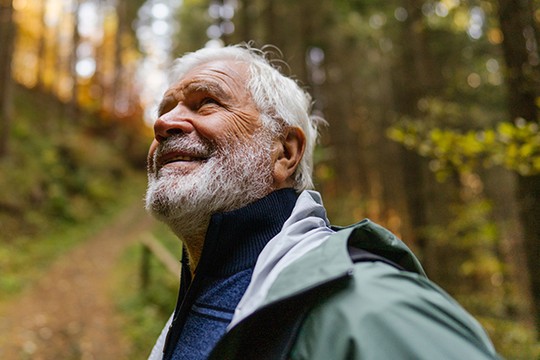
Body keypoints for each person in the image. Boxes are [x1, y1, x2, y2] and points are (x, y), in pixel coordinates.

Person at [145, 43, 500, 360]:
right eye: (165, 109)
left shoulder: (372, 308)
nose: (163, 123)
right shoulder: (197, 300)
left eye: (206, 103)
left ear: (284, 151)